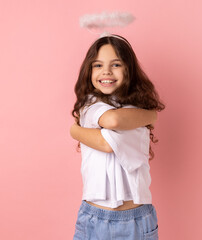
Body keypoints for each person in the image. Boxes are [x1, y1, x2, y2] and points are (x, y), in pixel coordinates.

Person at [70, 34, 165, 240]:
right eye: (97, 65)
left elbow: (108, 136)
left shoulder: (137, 112)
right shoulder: (90, 106)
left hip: (136, 220)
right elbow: (112, 123)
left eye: (116, 65)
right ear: (89, 71)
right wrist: (150, 116)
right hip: (94, 219)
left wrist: (75, 131)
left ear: (128, 70)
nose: (106, 71)